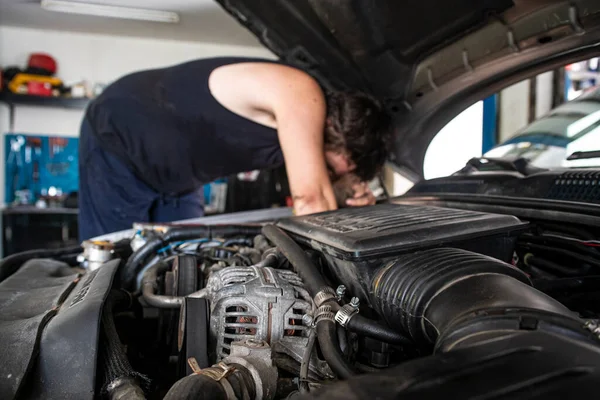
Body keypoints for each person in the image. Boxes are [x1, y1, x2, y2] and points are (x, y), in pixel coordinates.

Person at [78, 57, 394, 241]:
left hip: (179, 180)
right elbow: (311, 200)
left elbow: (323, 192)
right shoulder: (302, 94)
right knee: (113, 263)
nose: (334, 176)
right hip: (119, 142)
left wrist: (348, 194)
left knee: (181, 257)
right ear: (347, 142)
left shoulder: (307, 131)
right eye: (343, 171)